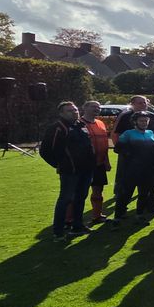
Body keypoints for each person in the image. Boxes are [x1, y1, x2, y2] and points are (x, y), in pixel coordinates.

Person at [39, 101, 97, 241]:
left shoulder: (81, 125)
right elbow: (45, 151)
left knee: (80, 198)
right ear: (61, 113)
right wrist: (59, 164)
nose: (74, 112)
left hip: (86, 169)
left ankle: (77, 226)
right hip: (70, 171)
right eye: (70, 111)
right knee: (65, 200)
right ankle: (58, 232)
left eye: (75, 110)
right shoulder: (57, 128)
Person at [112, 111, 154, 223]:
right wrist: (130, 154)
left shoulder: (150, 133)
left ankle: (139, 214)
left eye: (146, 121)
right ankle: (118, 215)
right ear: (135, 122)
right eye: (141, 121)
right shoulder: (128, 133)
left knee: (144, 193)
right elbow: (117, 148)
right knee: (126, 193)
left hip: (148, 169)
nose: (144, 123)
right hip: (132, 169)